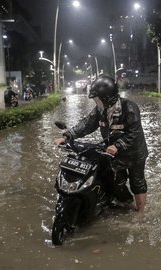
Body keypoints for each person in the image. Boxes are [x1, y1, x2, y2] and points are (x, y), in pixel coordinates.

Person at [53, 76, 148, 215]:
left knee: (137, 182)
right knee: (115, 180)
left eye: (97, 98)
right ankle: (127, 203)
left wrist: (118, 145)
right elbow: (86, 124)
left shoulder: (129, 108)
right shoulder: (100, 110)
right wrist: (67, 136)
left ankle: (141, 213)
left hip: (134, 152)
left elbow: (134, 133)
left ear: (107, 97)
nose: (95, 101)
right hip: (113, 152)